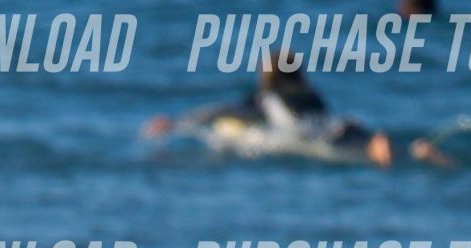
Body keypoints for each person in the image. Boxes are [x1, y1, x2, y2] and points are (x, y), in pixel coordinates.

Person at [144, 52, 443, 166]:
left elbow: (230, 111)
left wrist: (178, 122)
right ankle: (412, 149)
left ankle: (390, 150)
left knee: (354, 150)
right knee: (368, 144)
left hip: (311, 134)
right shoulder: (312, 94)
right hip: (343, 125)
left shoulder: (266, 97)